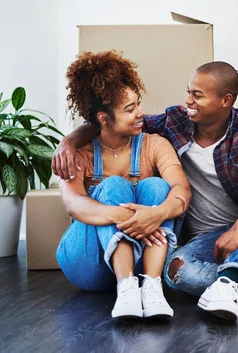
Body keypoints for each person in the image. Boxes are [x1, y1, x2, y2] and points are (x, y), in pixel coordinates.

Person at [53, 61, 238, 323]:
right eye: (188, 91)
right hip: (206, 244)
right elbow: (115, 123)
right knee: (176, 273)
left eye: (197, 95)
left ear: (225, 100)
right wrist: (68, 142)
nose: (187, 101)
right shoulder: (176, 121)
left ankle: (230, 279)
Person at [55, 50, 192, 319]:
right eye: (130, 109)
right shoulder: (79, 153)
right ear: (104, 119)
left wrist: (157, 213)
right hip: (88, 263)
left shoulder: (155, 144)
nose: (141, 113)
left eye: (138, 104)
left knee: (156, 187)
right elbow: (73, 205)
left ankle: (151, 288)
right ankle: (127, 286)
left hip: (145, 260)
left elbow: (181, 189)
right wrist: (128, 216)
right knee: (114, 185)